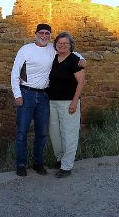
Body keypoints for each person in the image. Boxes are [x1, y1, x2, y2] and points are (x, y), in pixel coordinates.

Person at [11, 24, 85, 177]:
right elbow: (15, 72)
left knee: (42, 133)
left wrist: (82, 59)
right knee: (22, 131)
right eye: (41, 33)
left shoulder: (52, 48)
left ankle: (39, 163)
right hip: (27, 93)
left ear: (50, 35)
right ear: (36, 33)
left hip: (45, 96)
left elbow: (71, 52)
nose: (44, 36)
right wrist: (17, 94)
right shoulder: (25, 49)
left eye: (47, 33)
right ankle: (21, 164)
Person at [48, 32, 86, 178]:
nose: (62, 45)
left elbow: (81, 82)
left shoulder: (75, 60)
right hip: (52, 101)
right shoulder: (54, 58)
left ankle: (67, 166)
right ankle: (60, 159)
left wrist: (75, 101)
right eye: (60, 43)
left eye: (65, 43)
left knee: (69, 133)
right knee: (55, 133)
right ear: (56, 44)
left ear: (71, 46)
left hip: (69, 102)